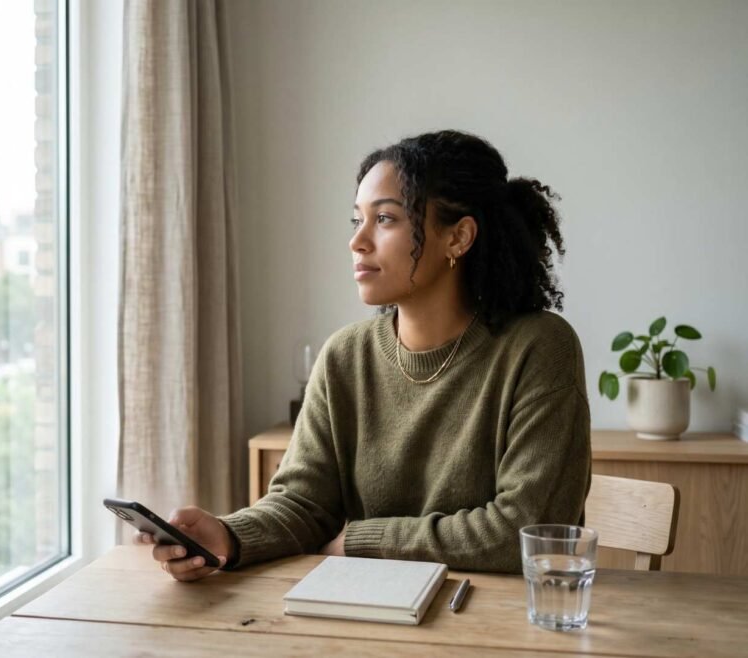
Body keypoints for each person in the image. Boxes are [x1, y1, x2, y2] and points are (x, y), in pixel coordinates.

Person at [135, 129, 591, 580]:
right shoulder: (344, 356)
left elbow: (523, 531)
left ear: (458, 237)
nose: (358, 241)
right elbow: (302, 504)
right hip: (361, 618)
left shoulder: (539, 348)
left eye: (386, 219)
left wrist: (361, 540)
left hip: (494, 629)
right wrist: (228, 537)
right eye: (358, 220)